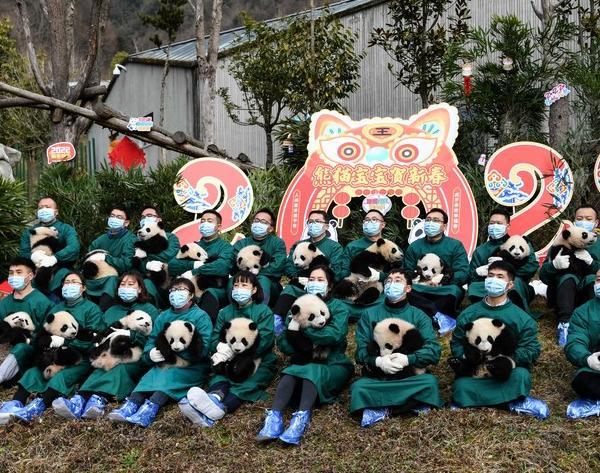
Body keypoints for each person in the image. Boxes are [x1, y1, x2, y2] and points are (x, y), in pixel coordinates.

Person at [256, 265, 352, 446]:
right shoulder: (298, 305)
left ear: (330, 286)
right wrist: (296, 339)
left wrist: (302, 330)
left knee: (310, 372)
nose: (315, 284)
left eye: (321, 280)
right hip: (302, 359)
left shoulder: (338, 307)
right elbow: (284, 343)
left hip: (332, 362)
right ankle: (274, 417)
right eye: (312, 280)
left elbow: (334, 335)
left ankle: (301, 418)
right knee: (290, 372)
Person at [52, 271, 160, 420]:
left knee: (120, 367)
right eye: (122, 284)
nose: (125, 288)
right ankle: (79, 399)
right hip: (109, 352)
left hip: (134, 355)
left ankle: (99, 399)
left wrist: (131, 335)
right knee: (100, 366)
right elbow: (101, 334)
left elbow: (153, 338)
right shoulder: (111, 311)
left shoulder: (150, 310)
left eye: (131, 284)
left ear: (140, 288)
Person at [107, 278, 212, 428]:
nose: (176, 293)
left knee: (168, 377)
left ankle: (150, 408)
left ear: (191, 295)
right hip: (166, 360)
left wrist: (183, 352)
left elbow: (204, 347)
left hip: (191, 365)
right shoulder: (163, 316)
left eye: (181, 289)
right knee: (149, 377)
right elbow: (152, 340)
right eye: (173, 290)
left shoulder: (200, 316)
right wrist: (149, 354)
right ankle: (131, 405)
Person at [0, 272, 104, 424]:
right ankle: (15, 403)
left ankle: (38, 405)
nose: (69, 285)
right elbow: (42, 333)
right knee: (33, 372)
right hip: (52, 355)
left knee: (62, 376)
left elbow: (93, 340)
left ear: (83, 288)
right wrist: (47, 341)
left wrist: (66, 342)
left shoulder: (91, 309)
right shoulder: (56, 308)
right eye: (66, 282)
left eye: (74, 282)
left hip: (79, 358)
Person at [450, 261, 548, 419]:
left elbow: (532, 349)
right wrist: (470, 357)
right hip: (477, 371)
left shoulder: (522, 318)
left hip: (506, 372)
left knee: (521, 376)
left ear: (510, 285)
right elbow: (456, 344)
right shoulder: (468, 314)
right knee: (461, 385)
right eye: (490, 276)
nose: (493, 280)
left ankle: (476, 401)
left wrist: (506, 360)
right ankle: (508, 402)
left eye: (499, 277)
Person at [179, 271, 277, 427]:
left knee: (247, 382)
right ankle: (213, 399)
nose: (239, 289)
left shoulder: (263, 311)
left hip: (258, 360)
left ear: (254, 290)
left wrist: (243, 352)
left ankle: (219, 409)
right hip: (228, 358)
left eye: (244, 285)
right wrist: (221, 348)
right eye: (236, 285)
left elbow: (265, 339)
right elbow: (214, 338)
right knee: (220, 377)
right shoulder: (225, 312)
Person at [350, 268, 442, 427]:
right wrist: (377, 361)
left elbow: (433, 351)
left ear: (408, 288)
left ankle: (383, 407)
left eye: (398, 280)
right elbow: (360, 353)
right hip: (378, 377)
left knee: (430, 382)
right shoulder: (369, 314)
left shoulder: (419, 316)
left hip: (410, 376)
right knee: (359, 387)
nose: (391, 284)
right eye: (389, 281)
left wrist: (409, 359)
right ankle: (409, 405)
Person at [271, 210, 344, 335]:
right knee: (290, 289)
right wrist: (297, 276)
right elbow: (289, 264)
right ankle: (277, 319)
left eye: (317, 221)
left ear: (326, 226)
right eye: (310, 222)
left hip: (322, 286)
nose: (313, 224)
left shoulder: (334, 247)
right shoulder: (299, 244)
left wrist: (317, 278)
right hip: (301, 282)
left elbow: (336, 270)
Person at [540, 204, 600, 347]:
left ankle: (595, 320)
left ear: (596, 222)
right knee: (568, 277)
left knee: (593, 279)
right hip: (563, 296)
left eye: (588, 218)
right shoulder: (562, 240)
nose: (583, 221)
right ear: (574, 221)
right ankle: (564, 325)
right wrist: (554, 265)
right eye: (579, 218)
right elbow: (543, 276)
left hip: (590, 293)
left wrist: (592, 263)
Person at [403, 208, 469, 333]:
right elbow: (407, 271)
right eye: (428, 220)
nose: (430, 223)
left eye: (435, 220)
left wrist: (443, 279)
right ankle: (439, 316)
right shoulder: (415, 246)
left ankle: (423, 315)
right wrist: (418, 279)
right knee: (406, 291)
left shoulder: (455, 245)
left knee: (454, 291)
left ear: (444, 226)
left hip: (444, 288)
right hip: (420, 287)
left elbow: (463, 272)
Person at [467, 208, 538, 313]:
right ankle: (485, 310)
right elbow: (471, 278)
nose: (495, 226)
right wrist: (480, 272)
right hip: (488, 286)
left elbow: (531, 266)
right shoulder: (480, 251)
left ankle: (512, 312)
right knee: (474, 287)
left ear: (507, 226)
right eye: (492, 223)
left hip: (513, 284)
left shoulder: (519, 243)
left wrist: (507, 268)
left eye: (499, 223)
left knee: (516, 283)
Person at [168, 209, 234, 322]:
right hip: (189, 287)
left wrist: (195, 271)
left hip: (215, 288)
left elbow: (222, 266)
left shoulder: (225, 247)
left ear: (218, 227)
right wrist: (193, 264)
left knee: (209, 293)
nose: (205, 224)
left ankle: (204, 327)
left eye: (209, 221)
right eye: (202, 221)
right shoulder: (193, 245)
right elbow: (172, 265)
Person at [0, 257, 53, 387]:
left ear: (30, 276)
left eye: (19, 272)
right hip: (4, 347)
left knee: (21, 348)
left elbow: (46, 334)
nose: (13, 276)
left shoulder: (42, 302)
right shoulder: (4, 302)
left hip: (28, 349)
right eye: (11, 273)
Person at [19, 197, 81, 298]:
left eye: (47, 207)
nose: (43, 210)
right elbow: (23, 252)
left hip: (59, 269)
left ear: (56, 212)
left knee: (63, 277)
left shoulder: (66, 229)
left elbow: (74, 247)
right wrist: (32, 256)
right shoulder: (29, 231)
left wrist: (55, 258)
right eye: (40, 208)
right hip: (35, 270)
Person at [229, 208, 286, 305]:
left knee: (262, 280)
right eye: (256, 220)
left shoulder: (277, 243)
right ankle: (234, 311)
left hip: (270, 284)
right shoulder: (241, 243)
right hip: (243, 280)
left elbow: (277, 266)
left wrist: (255, 274)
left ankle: (259, 312)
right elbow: (231, 263)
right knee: (233, 281)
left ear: (271, 228)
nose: (258, 224)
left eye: (264, 222)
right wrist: (247, 276)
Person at [85, 207, 137, 310]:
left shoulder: (130, 239)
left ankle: (103, 312)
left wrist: (106, 258)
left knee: (111, 281)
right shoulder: (100, 240)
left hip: (116, 277)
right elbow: (88, 256)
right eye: (112, 216)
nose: (114, 219)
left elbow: (126, 263)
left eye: (119, 217)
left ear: (126, 223)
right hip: (94, 275)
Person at [564, 270, 600, 419]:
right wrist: (587, 359)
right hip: (596, 365)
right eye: (598, 279)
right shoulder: (583, 311)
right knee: (582, 380)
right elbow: (575, 342)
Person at [132, 206, 180, 308]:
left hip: (166, 280)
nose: (145, 219)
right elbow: (135, 262)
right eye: (143, 217)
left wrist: (146, 255)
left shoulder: (171, 237)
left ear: (159, 220)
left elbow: (168, 256)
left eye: (149, 216)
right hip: (145, 279)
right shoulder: (137, 239)